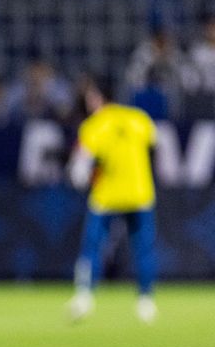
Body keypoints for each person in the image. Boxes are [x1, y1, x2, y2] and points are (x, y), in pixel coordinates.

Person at [66, 78, 158, 324]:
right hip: (140, 192)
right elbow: (153, 150)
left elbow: (79, 168)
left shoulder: (94, 125)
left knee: (93, 247)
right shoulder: (139, 118)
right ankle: (146, 301)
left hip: (106, 195)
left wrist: (80, 178)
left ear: (97, 97)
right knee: (143, 248)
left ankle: (84, 297)